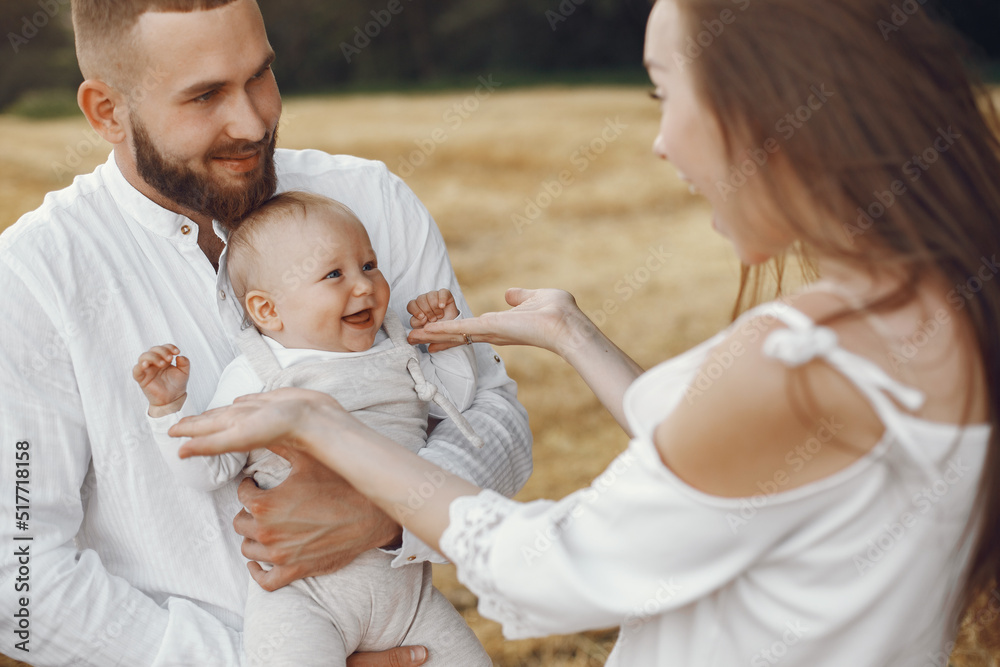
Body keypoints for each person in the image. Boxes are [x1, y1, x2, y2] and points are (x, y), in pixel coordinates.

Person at [172, 0, 1000, 664]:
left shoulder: (794, 359)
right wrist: (571, 332)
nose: (660, 142)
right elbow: (735, 463)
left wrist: (321, 422)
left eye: (664, 93)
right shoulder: (946, 314)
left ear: (765, 111)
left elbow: (550, 572)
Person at [0, 0, 531, 664]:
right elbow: (17, 578)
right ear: (107, 111)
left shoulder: (371, 199)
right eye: (205, 95)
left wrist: (394, 511)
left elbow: (497, 419)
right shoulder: (30, 279)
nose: (253, 120)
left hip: (408, 629)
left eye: (260, 75)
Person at [133, 191, 490, 666]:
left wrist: (448, 344)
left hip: (407, 597)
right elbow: (208, 471)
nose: (363, 286)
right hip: (303, 597)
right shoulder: (257, 373)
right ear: (267, 311)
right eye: (334, 275)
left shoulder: (395, 349)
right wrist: (170, 409)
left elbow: (456, 404)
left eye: (368, 265)